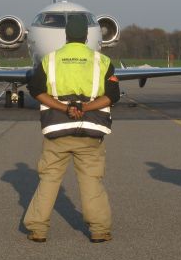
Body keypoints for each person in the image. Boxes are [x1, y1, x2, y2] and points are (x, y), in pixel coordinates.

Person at [24, 13, 120, 243]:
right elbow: (112, 96)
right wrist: (84, 108)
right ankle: (99, 230)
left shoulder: (50, 60)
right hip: (90, 132)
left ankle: (38, 229)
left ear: (66, 35)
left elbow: (36, 90)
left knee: (49, 179)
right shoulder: (103, 62)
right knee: (91, 181)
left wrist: (64, 108)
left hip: (57, 131)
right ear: (87, 36)